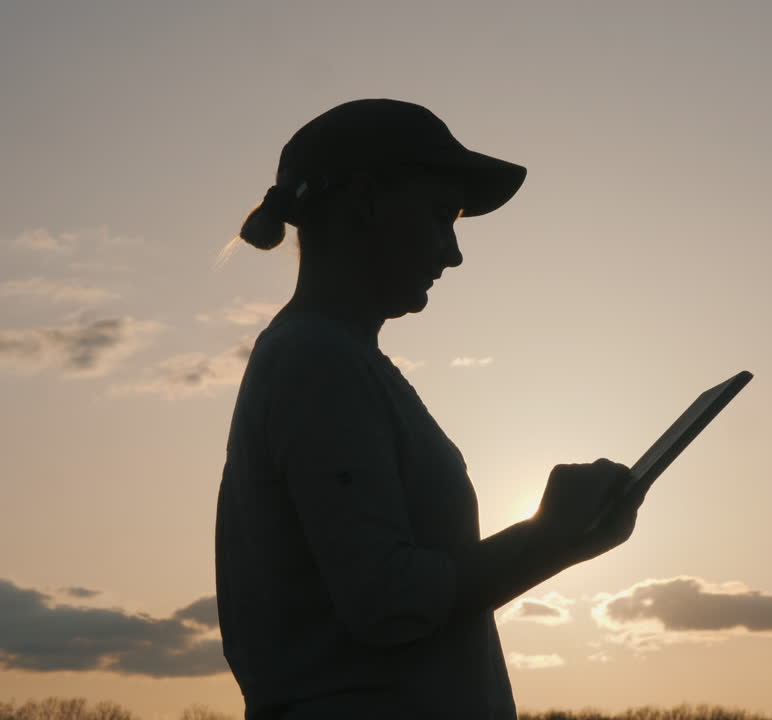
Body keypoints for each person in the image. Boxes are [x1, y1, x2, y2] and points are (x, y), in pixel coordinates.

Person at [215, 99, 646, 719]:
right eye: (442, 216)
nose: (453, 253)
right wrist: (548, 535)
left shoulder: (333, 360)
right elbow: (387, 602)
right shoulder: (317, 359)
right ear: (364, 201)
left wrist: (565, 542)